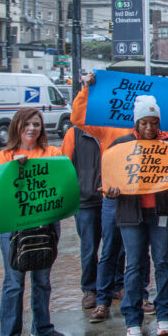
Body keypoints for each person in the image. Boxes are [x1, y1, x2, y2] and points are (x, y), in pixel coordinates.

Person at [101, 95, 168, 336]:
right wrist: (111, 191)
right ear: (136, 123)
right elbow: (109, 178)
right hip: (131, 213)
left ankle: (164, 315)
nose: (150, 128)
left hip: (162, 212)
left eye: (154, 122)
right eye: (144, 123)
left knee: (163, 261)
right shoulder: (121, 146)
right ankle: (132, 320)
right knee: (134, 264)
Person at [0, 108, 67, 336]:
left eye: (36, 124)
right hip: (14, 227)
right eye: (27, 124)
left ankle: (42, 328)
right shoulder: (3, 156)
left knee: (42, 279)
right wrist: (13, 169)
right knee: (14, 281)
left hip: (45, 223)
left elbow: (62, 182)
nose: (32, 128)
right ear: (17, 127)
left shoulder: (52, 153)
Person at [61, 124, 103, 310]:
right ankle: (89, 288)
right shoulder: (75, 133)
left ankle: (117, 284)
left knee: (117, 246)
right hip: (85, 200)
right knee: (89, 247)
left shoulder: (114, 128)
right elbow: (64, 163)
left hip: (112, 197)